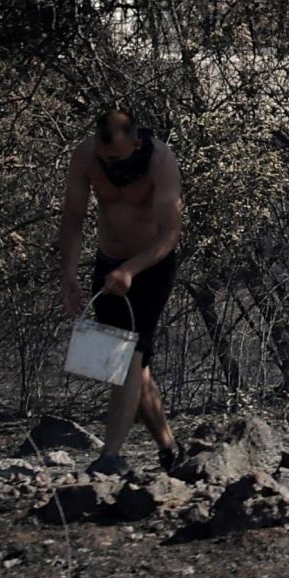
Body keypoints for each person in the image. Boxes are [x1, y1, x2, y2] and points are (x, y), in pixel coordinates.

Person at [57, 105, 183, 475]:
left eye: (116, 157)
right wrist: (69, 276)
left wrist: (131, 269)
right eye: (103, 155)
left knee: (129, 360)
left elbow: (170, 234)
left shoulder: (160, 161)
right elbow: (73, 219)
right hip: (108, 262)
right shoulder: (85, 157)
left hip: (151, 265)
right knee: (128, 365)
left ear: (135, 142)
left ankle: (110, 455)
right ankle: (170, 449)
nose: (109, 164)